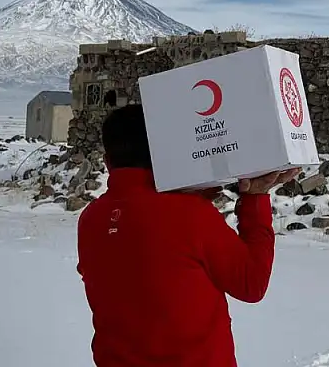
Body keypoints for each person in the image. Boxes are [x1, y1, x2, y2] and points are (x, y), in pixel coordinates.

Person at [76, 103, 299, 367]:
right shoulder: (191, 214)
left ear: (107, 161)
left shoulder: (90, 219)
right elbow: (251, 283)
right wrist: (255, 197)